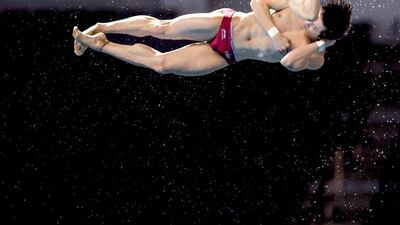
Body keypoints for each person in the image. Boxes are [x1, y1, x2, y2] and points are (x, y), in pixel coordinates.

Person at [72, 0, 352, 76]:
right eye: (316, 15)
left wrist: (320, 45)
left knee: (161, 65)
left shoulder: (314, 55)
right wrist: (273, 32)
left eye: (316, 24)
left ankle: (101, 45)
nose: (311, 19)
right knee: (161, 28)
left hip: (226, 55)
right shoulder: (296, 11)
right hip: (226, 23)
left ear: (325, 35)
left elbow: (290, 63)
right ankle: (102, 26)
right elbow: (257, 2)